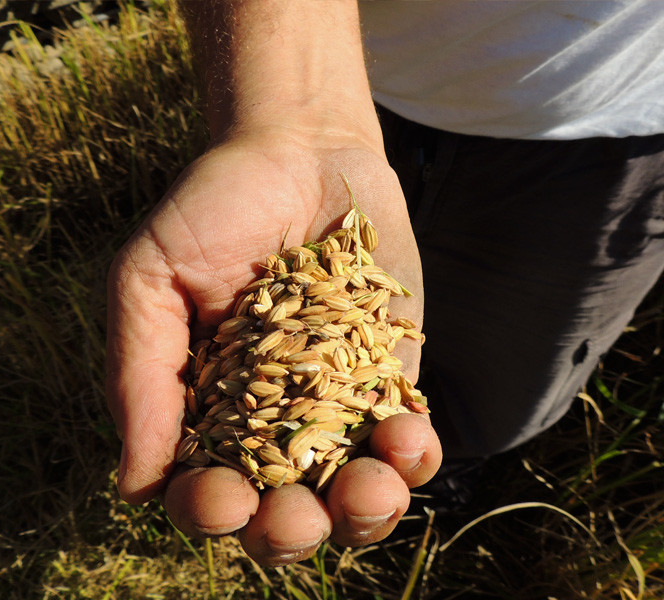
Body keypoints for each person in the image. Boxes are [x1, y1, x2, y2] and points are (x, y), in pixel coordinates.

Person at [106, 1, 664, 567]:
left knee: (511, 384)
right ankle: (412, 449)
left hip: (618, 122)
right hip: (356, 69)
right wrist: (290, 113)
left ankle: (457, 456)